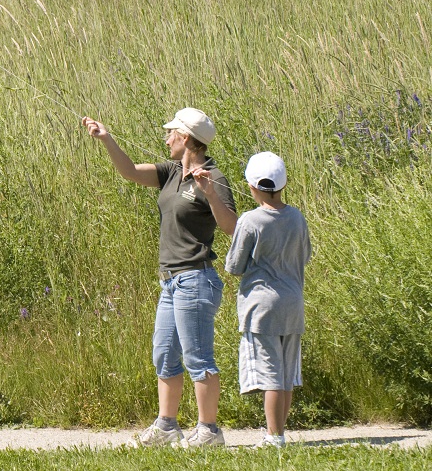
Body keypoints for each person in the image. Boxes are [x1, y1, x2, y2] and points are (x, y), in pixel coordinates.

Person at [82, 108, 237, 447]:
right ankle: (167, 426)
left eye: (171, 134)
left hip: (196, 279)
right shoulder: (170, 173)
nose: (166, 139)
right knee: (165, 355)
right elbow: (130, 172)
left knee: (198, 357)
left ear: (185, 139)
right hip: (170, 282)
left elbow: (231, 228)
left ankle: (209, 431)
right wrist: (106, 139)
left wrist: (209, 192)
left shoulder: (214, 177)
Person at [204, 151, 310, 449]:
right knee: (286, 375)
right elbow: (306, 254)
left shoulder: (250, 220)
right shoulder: (297, 217)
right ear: (283, 184)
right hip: (293, 304)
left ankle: (274, 437)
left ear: (251, 185)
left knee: (271, 375)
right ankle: (279, 432)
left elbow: (233, 266)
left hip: (261, 308)